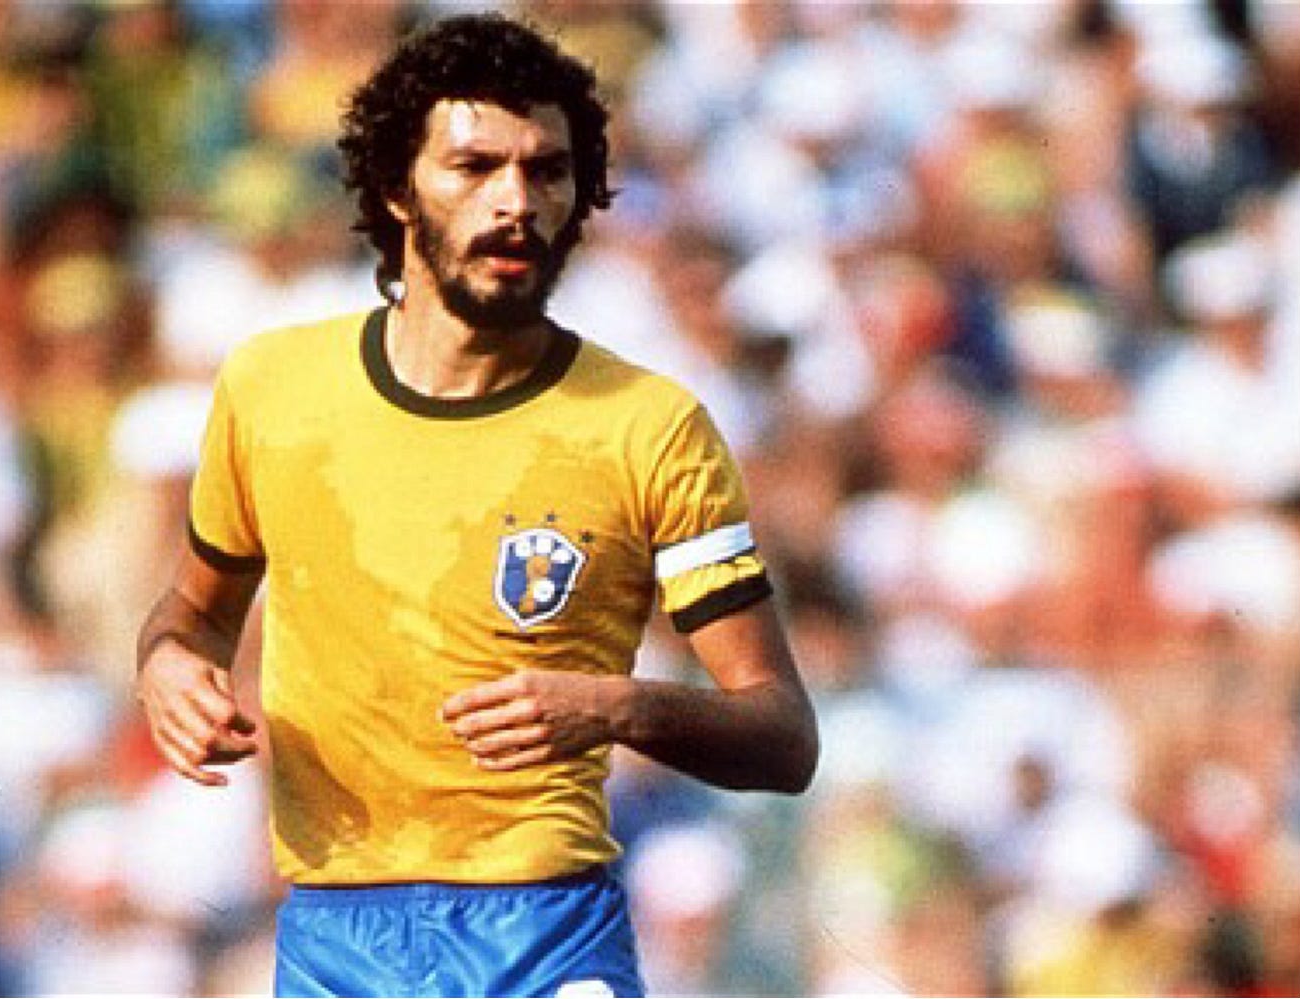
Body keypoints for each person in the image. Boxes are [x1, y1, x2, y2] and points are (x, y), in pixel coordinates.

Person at [134, 14, 819, 998]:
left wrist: (616, 706)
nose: (516, 201)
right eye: (475, 166)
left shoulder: (648, 427)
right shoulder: (271, 391)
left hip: (544, 931)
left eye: (547, 171)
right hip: (336, 942)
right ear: (395, 187)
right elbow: (194, 614)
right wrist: (167, 663)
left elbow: (782, 734)